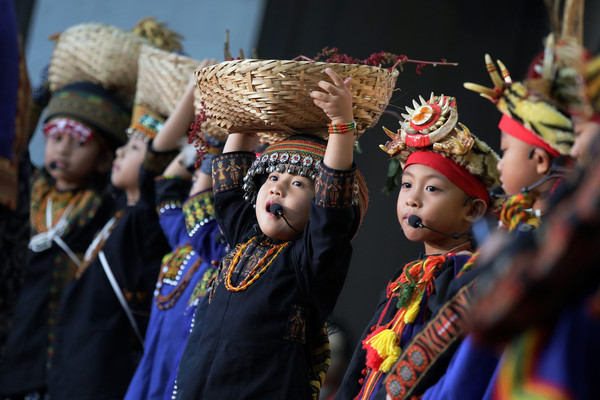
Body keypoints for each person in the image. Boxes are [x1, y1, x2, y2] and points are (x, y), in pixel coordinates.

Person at [172, 67, 368, 400]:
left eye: (298, 183)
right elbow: (229, 188)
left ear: (320, 200)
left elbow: (330, 216)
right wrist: (244, 116)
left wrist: (341, 125)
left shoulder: (310, 262)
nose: (277, 188)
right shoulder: (245, 235)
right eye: (272, 177)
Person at [336, 93, 501, 400]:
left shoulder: (465, 276)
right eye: (408, 184)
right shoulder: (409, 275)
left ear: (473, 211)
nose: (412, 198)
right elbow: (364, 354)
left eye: (432, 188)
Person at [0, 81, 129, 399]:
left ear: (103, 159)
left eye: (79, 142)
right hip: (11, 326)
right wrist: (34, 103)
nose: (63, 149)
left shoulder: (104, 207)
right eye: (56, 138)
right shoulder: (30, 189)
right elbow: (12, 152)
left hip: (52, 347)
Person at [123, 74, 230, 400]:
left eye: (212, 172)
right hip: (145, 387)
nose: (202, 179)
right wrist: (205, 152)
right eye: (203, 171)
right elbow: (167, 185)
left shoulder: (229, 257)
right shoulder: (187, 235)